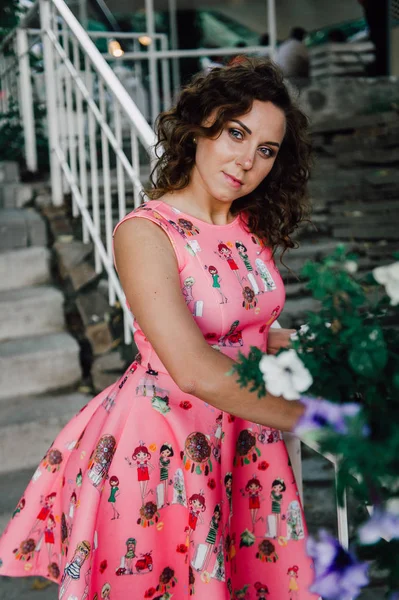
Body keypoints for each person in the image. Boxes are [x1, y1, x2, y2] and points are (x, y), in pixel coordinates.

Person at [0, 58, 319, 599]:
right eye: (235, 133)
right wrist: (323, 422)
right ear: (198, 129)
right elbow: (194, 370)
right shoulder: (146, 232)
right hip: (166, 447)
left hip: (244, 438)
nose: (246, 160)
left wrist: (325, 350)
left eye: (265, 150)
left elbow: (252, 329)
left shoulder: (249, 226)